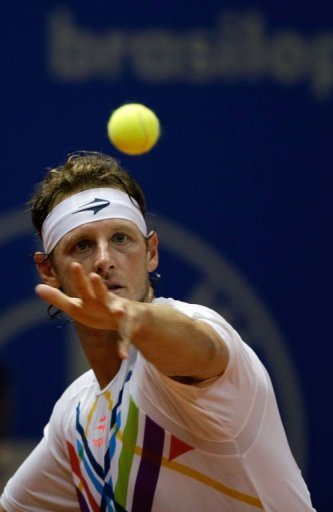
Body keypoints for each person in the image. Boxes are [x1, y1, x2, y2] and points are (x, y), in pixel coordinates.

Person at [0, 151, 315, 511]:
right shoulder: (74, 416)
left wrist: (135, 317)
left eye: (121, 238)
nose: (104, 258)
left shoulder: (197, 331)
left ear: (151, 251)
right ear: (48, 271)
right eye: (83, 245)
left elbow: (203, 350)